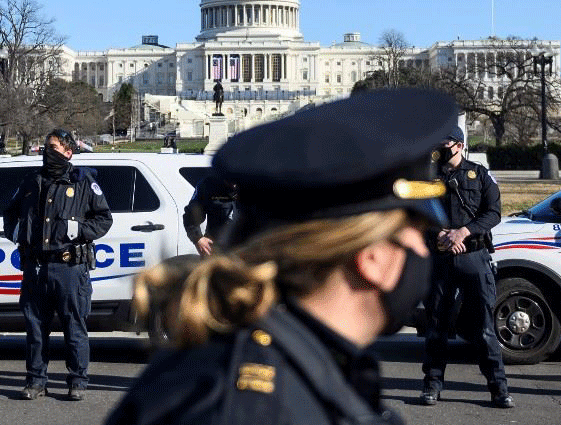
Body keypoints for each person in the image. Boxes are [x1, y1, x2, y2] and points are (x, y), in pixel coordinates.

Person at [104, 87, 458, 425]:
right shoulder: (256, 406)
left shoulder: (286, 364)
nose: (424, 251)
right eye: (417, 234)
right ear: (373, 258)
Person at [2, 128, 113, 401]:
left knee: (74, 327)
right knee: (35, 329)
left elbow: (104, 219)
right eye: (45, 147)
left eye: (53, 148)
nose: (47, 153)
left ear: (68, 152)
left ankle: (77, 382)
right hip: (36, 267)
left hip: (69, 268)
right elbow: (10, 213)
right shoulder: (32, 181)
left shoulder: (83, 182)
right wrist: (17, 233)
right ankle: (36, 381)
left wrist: (78, 230)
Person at [419, 126, 513, 408]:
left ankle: (499, 389)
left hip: (473, 256)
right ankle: (432, 386)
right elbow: (415, 213)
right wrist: (440, 235)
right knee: (437, 326)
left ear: (458, 145)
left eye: (444, 142)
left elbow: (493, 213)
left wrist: (463, 232)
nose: (439, 146)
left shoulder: (480, 175)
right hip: (440, 257)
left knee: (484, 327)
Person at [182, 173, 238, 256]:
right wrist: (198, 239)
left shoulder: (254, 182)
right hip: (216, 247)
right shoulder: (208, 184)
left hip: (247, 247)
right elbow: (191, 214)